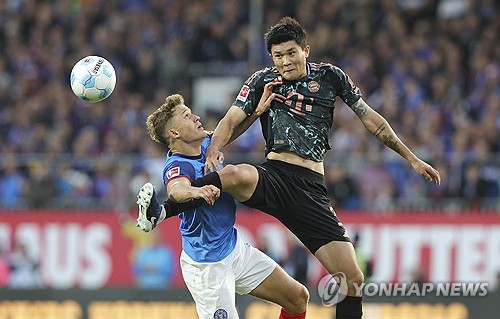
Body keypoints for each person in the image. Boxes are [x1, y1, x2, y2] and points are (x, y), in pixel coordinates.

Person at [140, 17, 441, 319]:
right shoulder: (262, 80)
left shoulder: (330, 77)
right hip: (275, 175)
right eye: (278, 55)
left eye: (291, 53)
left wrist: (412, 158)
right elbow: (230, 119)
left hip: (310, 190)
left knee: (350, 279)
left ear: (306, 50)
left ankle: (161, 211)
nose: (285, 61)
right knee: (233, 174)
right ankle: (162, 211)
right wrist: (216, 147)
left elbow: (371, 118)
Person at [136, 93, 309, 319]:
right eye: (187, 116)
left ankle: (158, 214)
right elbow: (176, 190)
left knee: (297, 298)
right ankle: (158, 214)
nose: (196, 117)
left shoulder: (207, 143)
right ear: (174, 133)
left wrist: (257, 113)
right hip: (207, 266)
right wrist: (196, 191)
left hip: (234, 248)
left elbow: (229, 131)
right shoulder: (177, 164)